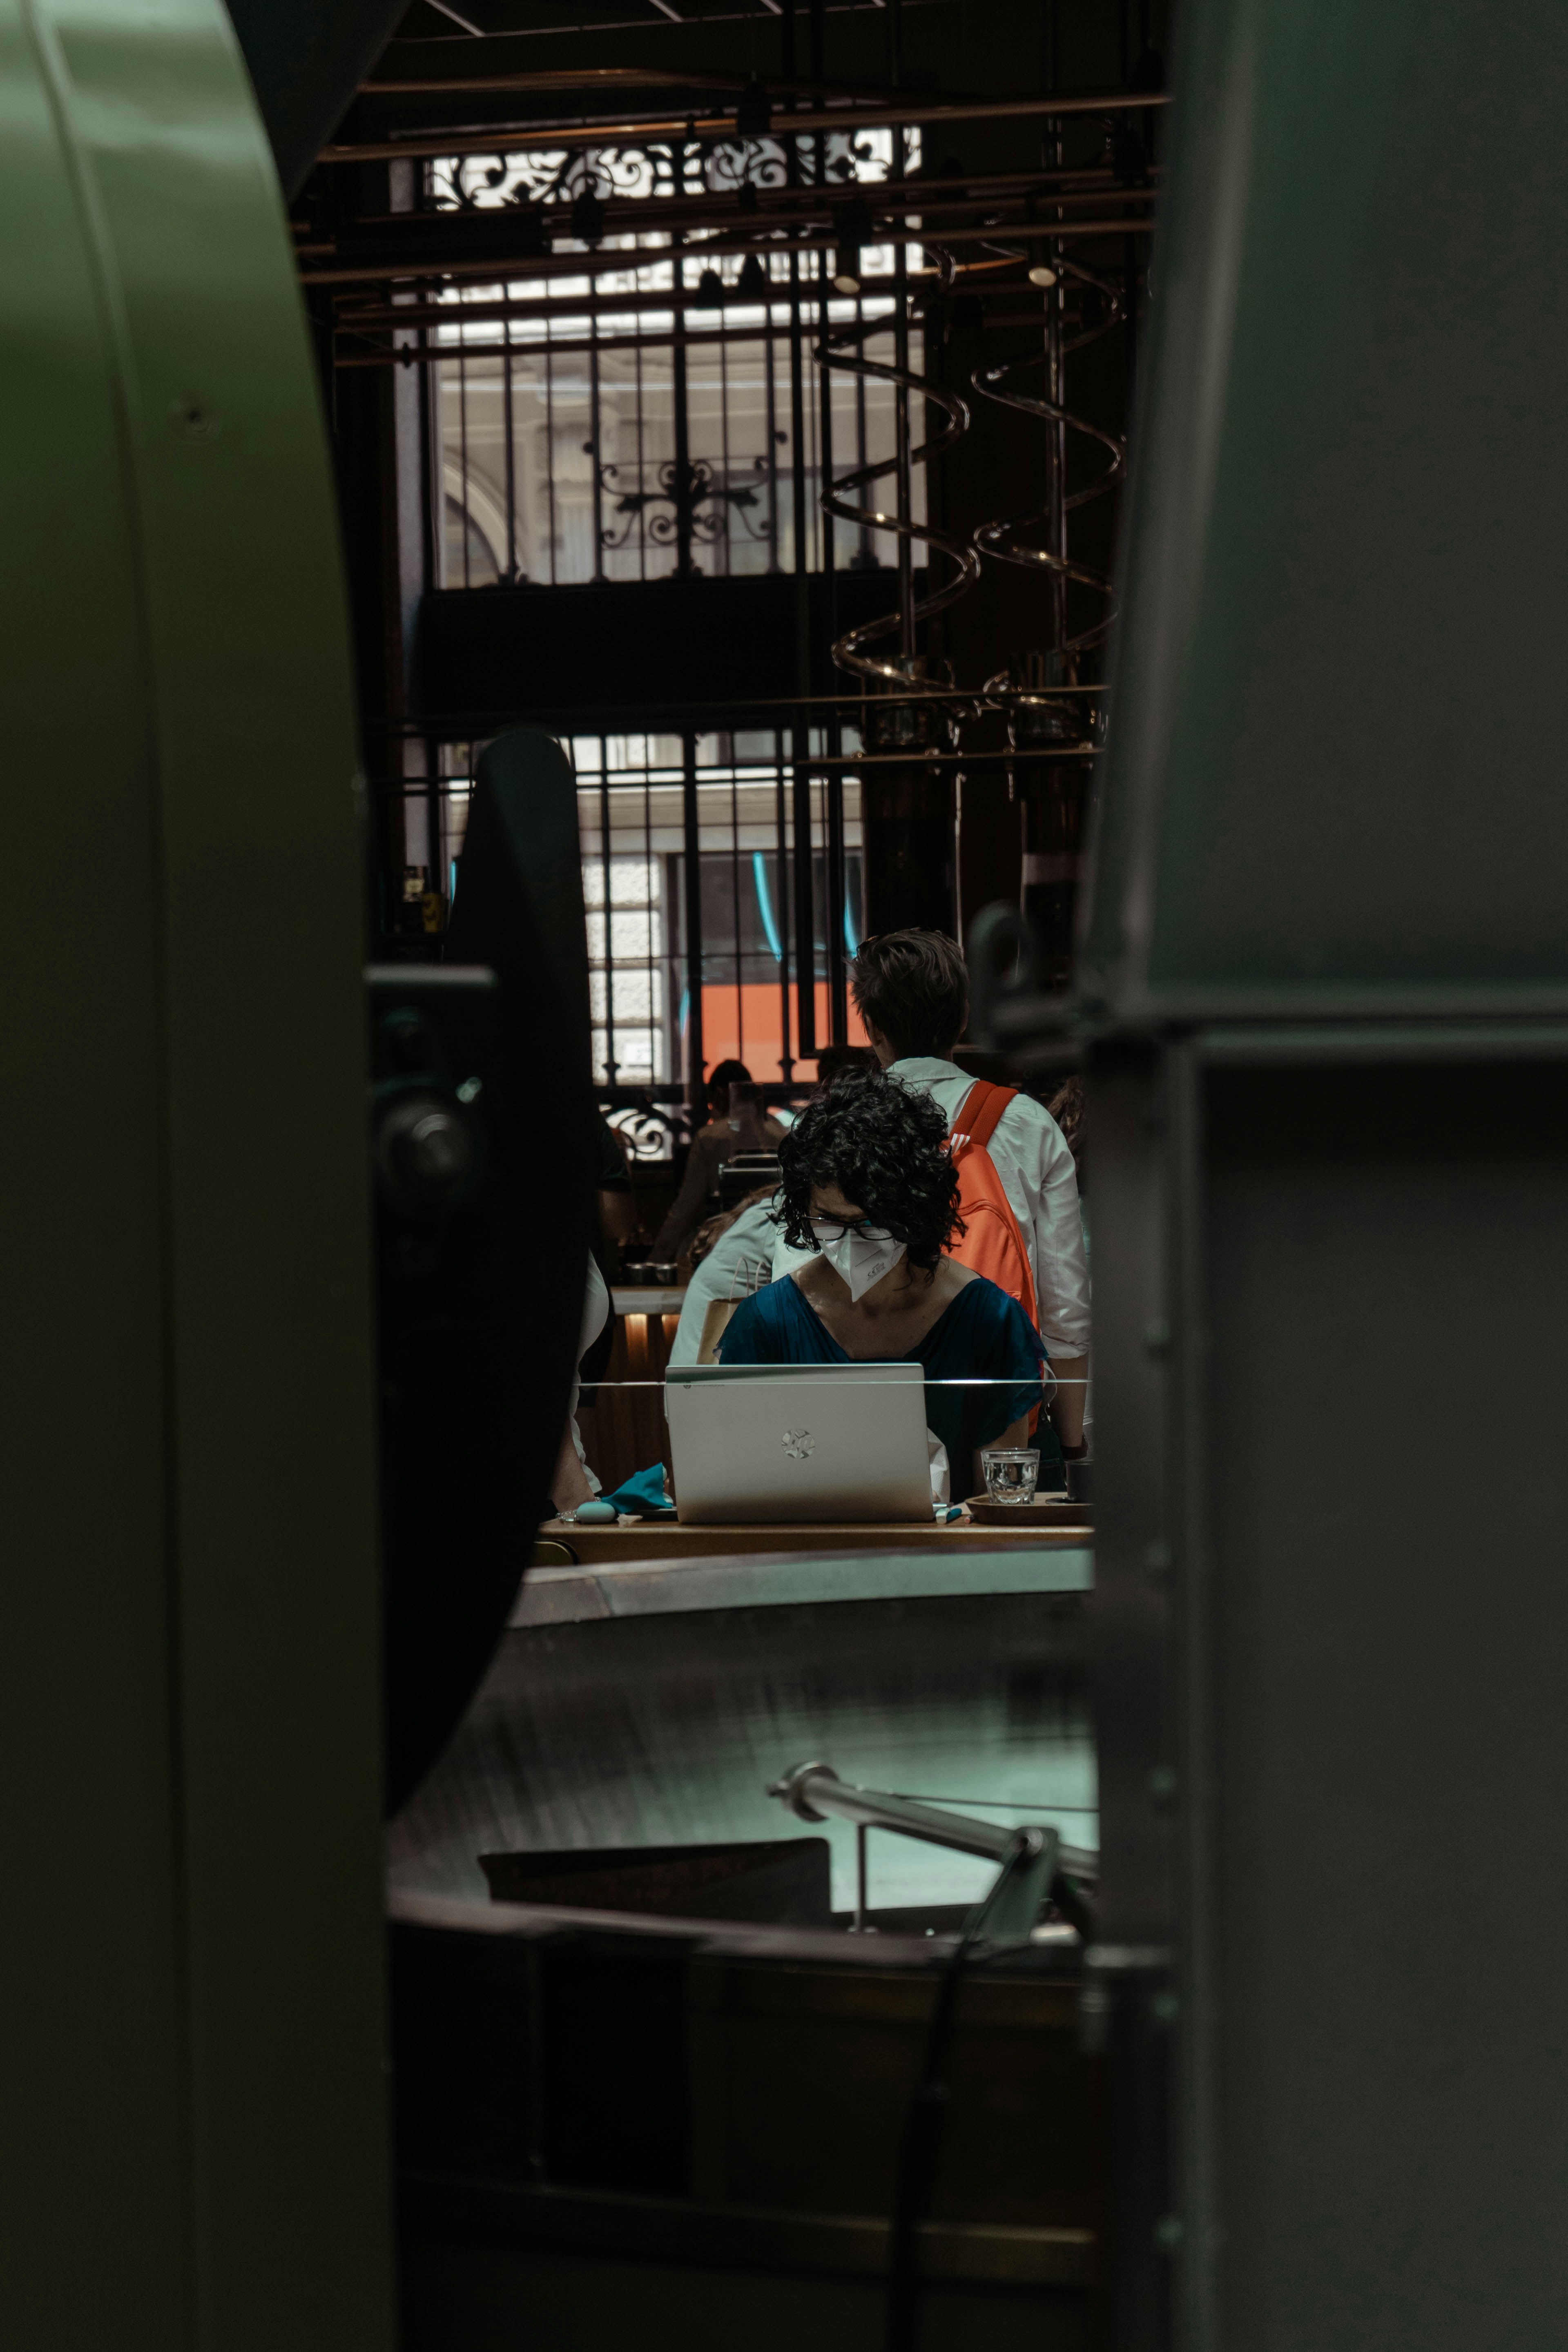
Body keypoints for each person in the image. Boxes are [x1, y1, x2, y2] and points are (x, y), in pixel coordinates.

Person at [720, 1070, 1059, 1497]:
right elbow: (743, 1486)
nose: (848, 1243)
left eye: (869, 1223)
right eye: (827, 1220)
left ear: (913, 1212)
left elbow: (996, 1509)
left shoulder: (987, 1320)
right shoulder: (765, 1322)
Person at [843, 928, 1091, 1458]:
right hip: (1003, 1431)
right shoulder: (1026, 1123)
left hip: (866, 1435)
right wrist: (1069, 1446)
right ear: (962, 1017)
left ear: (871, 1025)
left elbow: (797, 1288)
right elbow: (1066, 1312)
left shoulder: (831, 1130)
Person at [652, 1058, 786, 1260]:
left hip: (724, 1239)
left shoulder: (710, 1137)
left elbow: (687, 1207)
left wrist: (657, 1256)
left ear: (719, 1095)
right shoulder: (779, 1132)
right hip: (774, 1236)